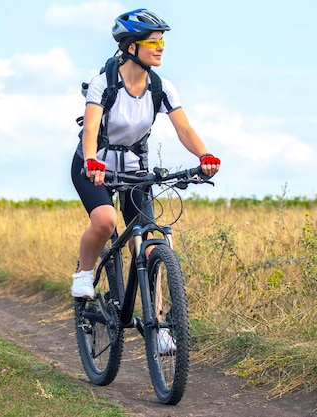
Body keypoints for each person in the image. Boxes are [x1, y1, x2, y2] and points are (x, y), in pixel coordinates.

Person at [70, 8, 221, 301]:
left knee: (148, 243)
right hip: (93, 165)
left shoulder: (161, 87)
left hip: (134, 169)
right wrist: (91, 161)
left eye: (162, 41)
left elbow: (184, 129)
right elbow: (90, 129)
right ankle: (85, 274)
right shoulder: (104, 82)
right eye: (153, 42)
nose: (161, 47)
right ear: (131, 47)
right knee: (105, 220)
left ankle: (161, 324)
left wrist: (205, 155)